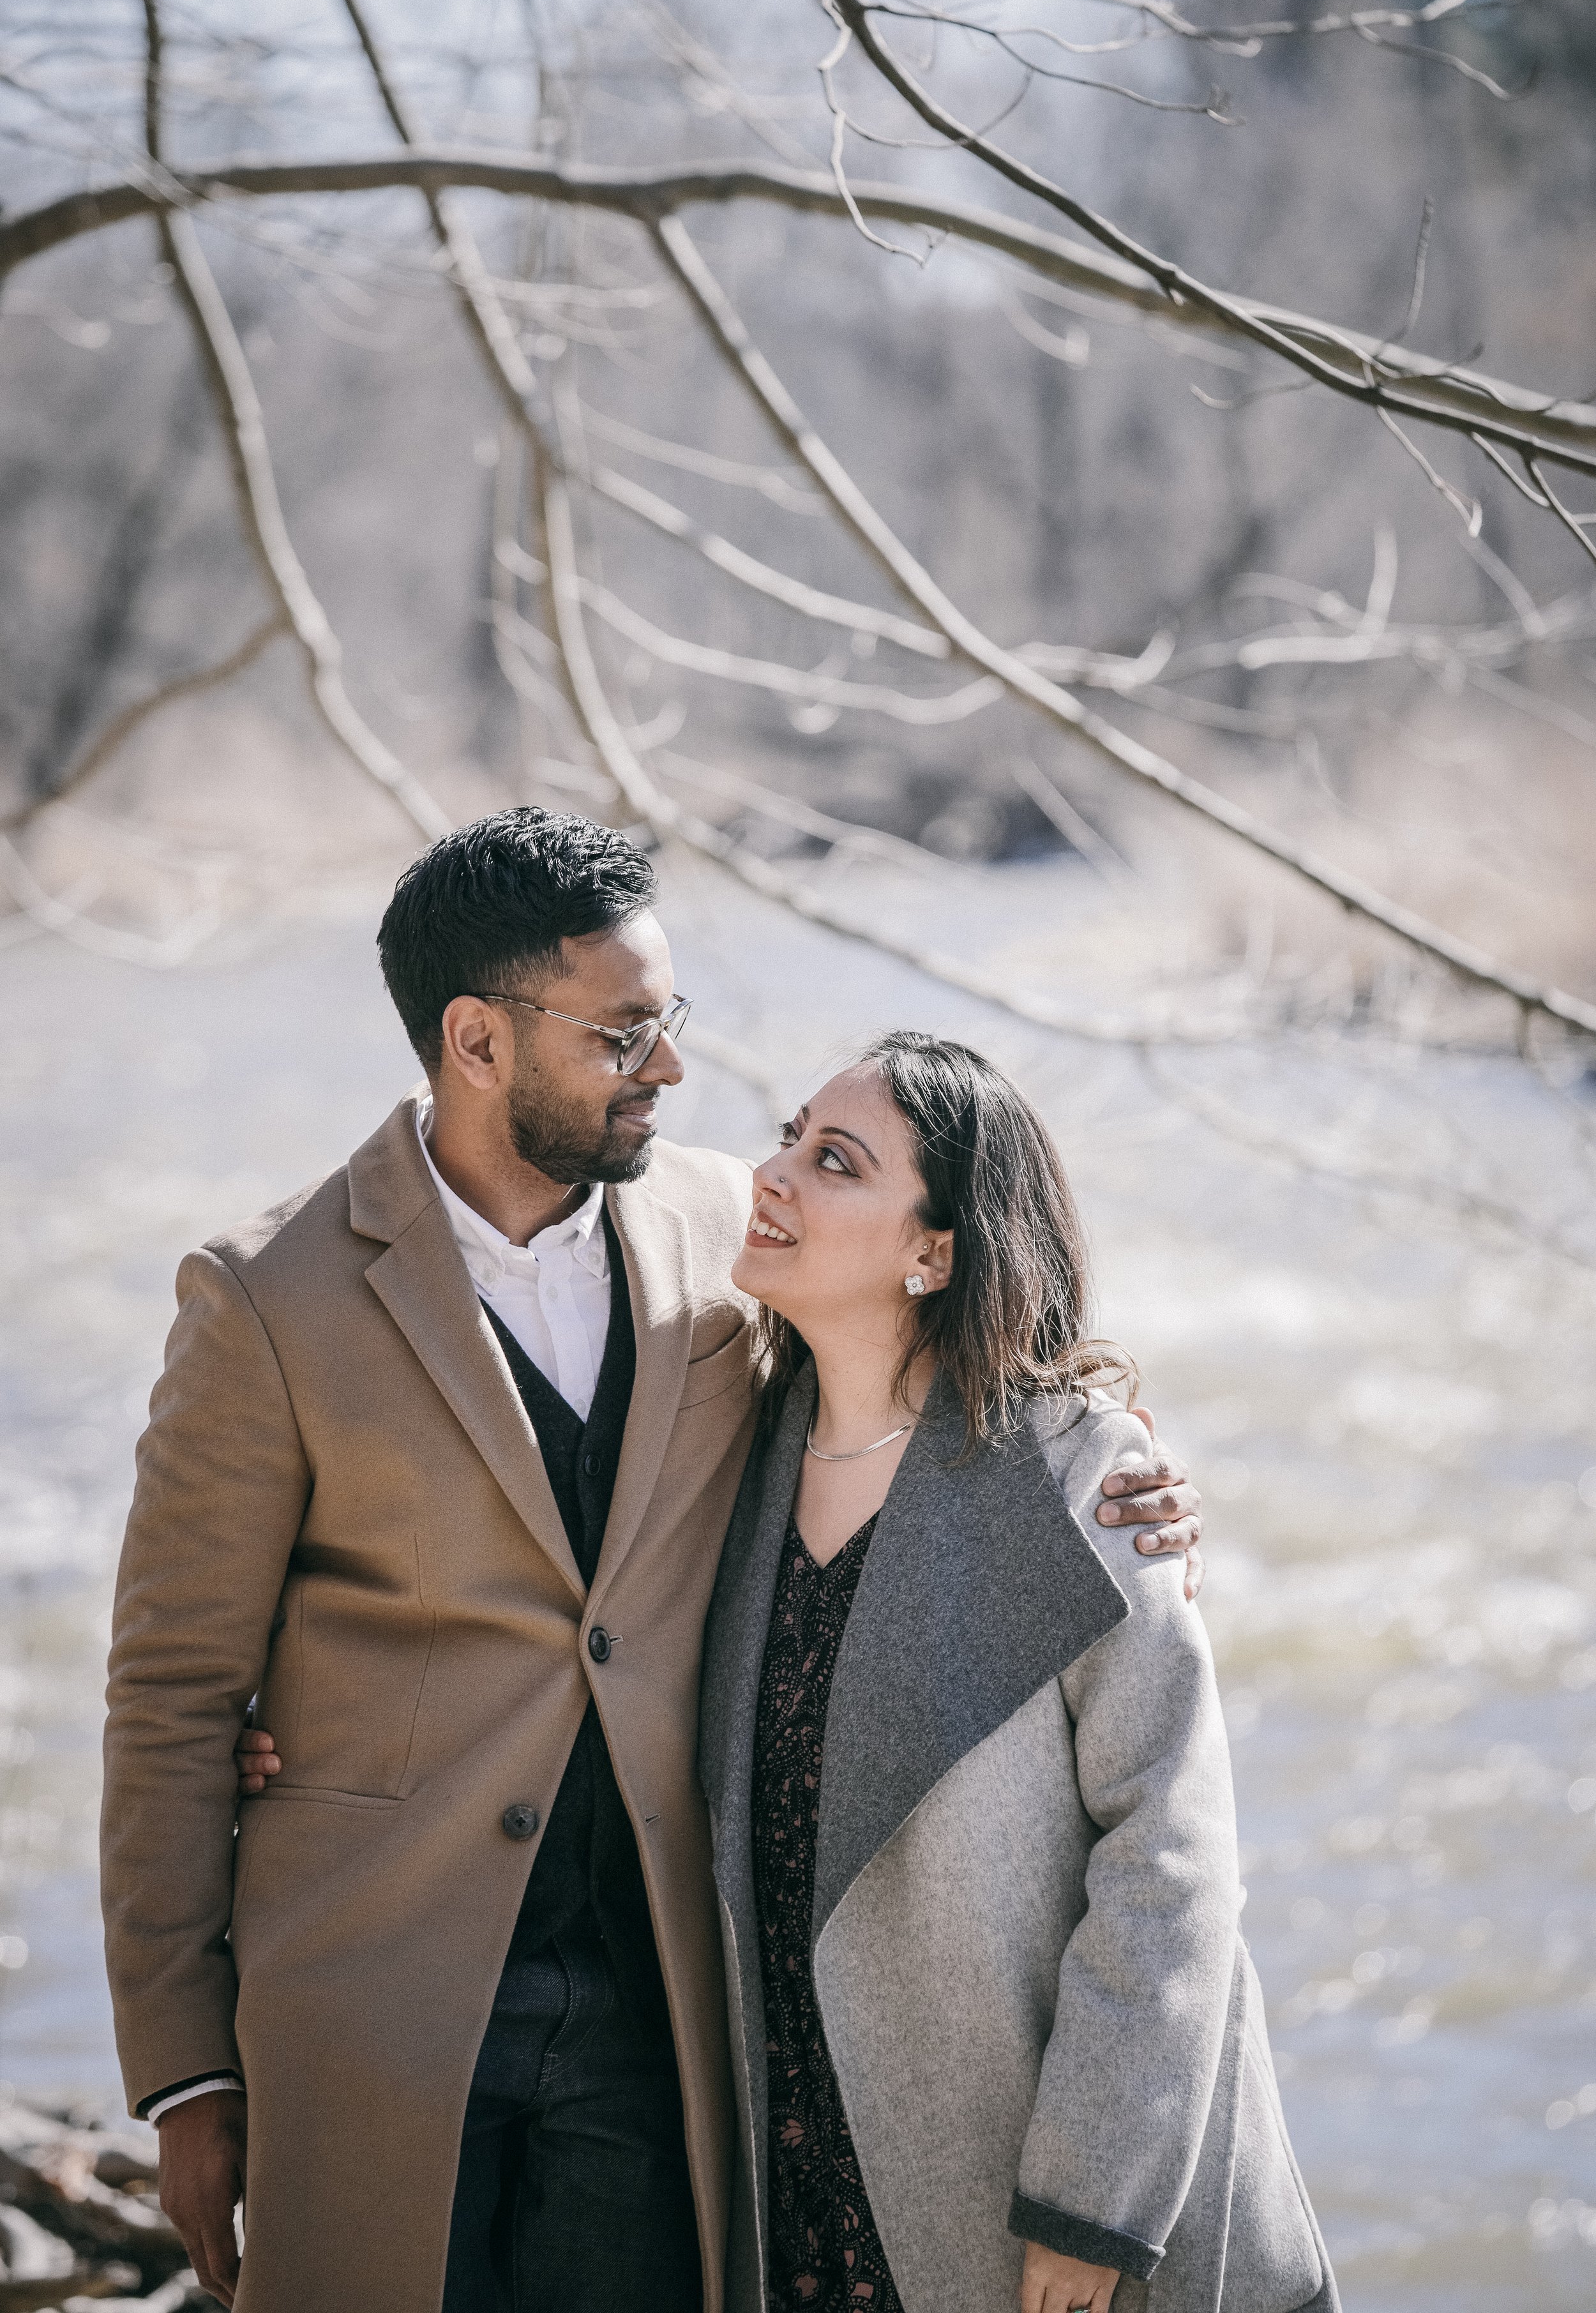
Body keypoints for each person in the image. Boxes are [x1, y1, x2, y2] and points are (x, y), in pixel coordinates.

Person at [101, 808, 1205, 2313]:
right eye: (623, 1034)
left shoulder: (725, 1234)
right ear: (477, 1042)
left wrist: (1104, 1450)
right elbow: (170, 1696)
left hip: (666, 2002)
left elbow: (908, 1369)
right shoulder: (264, 1298)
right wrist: (185, 2071)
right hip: (372, 2004)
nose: (670, 1068)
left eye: (665, 1020)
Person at [699, 1033, 1337, 2313]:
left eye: (833, 1161)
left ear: (931, 1252)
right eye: (786, 1132)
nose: (769, 1173)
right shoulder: (730, 1451)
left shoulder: (1072, 1474)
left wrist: (1090, 2198)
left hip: (1043, 2206)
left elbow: (1169, 1855)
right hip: (805, 2186)